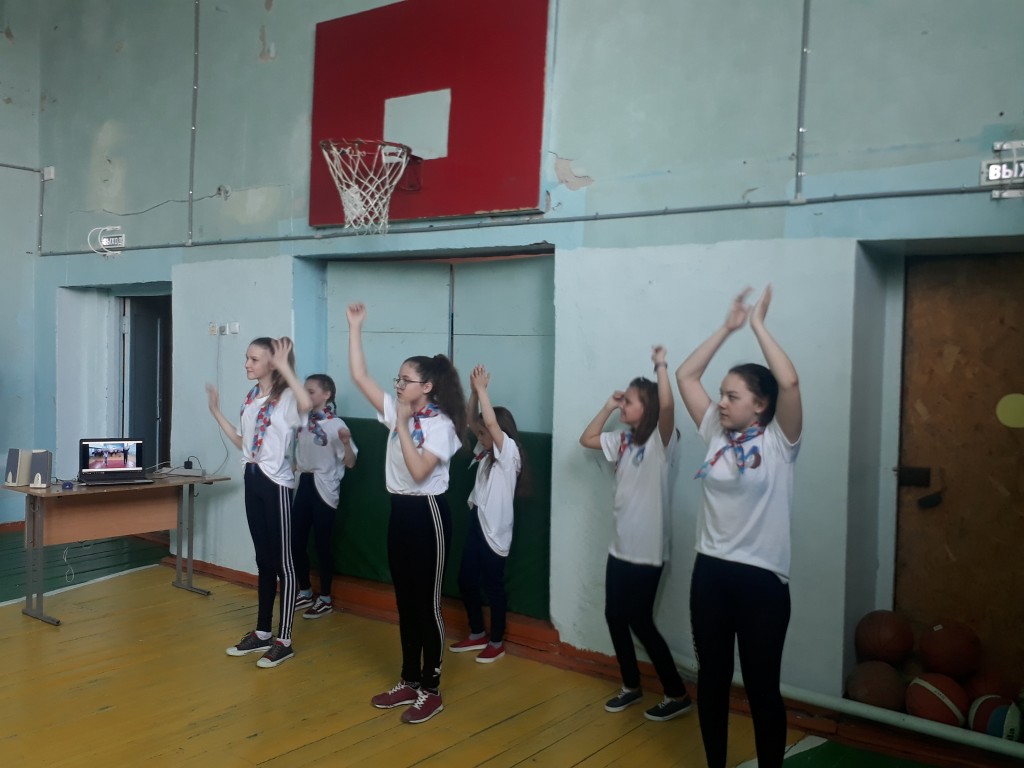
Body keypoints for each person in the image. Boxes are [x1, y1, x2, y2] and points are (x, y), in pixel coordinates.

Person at [675, 286, 802, 768]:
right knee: (712, 680)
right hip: (711, 574)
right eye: (722, 395)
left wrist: (758, 326)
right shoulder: (714, 429)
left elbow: (789, 382)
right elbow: (687, 375)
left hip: (762, 581)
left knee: (762, 688)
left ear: (761, 405)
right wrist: (726, 328)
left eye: (733, 396)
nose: (722, 402)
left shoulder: (780, 443)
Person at [346, 302, 466, 724]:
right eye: (397, 379)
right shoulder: (400, 411)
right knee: (404, 601)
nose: (398, 385)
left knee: (427, 604)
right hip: (399, 513)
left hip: (428, 513)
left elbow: (418, 472)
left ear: (427, 386)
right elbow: (360, 376)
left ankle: (431, 689)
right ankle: (409, 680)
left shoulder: (440, 426)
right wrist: (355, 327)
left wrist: (399, 423)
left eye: (405, 380)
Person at [579, 345, 693, 722]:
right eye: (623, 400)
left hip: (647, 552)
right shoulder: (622, 440)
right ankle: (631, 685)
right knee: (615, 616)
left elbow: (669, 406)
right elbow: (587, 439)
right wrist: (608, 407)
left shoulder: (662, 441)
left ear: (648, 408)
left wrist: (661, 366)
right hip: (620, 548)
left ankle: (676, 693)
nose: (623, 406)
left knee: (640, 621)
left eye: (629, 402)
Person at [207, 336, 312, 668]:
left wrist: (286, 368)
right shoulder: (253, 397)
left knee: (284, 563)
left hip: (275, 483)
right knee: (264, 560)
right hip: (252, 477)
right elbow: (245, 443)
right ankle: (263, 632)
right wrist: (215, 412)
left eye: (254, 359)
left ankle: (285, 640)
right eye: (247, 358)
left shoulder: (287, 398)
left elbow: (307, 405)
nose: (247, 364)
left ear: (272, 363)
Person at [448, 365, 525, 664]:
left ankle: (496, 641)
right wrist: (472, 393)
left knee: (493, 586)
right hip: (476, 523)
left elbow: (490, 424)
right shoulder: (485, 452)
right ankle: (477, 632)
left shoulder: (509, 453)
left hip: (495, 531)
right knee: (466, 579)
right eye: (480, 433)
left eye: (484, 433)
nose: (480, 435)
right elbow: (472, 420)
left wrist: (482, 390)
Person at [292, 374, 358, 619]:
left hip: (324, 488)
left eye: (310, 391)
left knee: (322, 545)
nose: (305, 395)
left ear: (326, 395)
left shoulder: (336, 425)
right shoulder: (302, 421)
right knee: (296, 542)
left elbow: (350, 463)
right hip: (303, 484)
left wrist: (347, 443)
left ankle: (326, 598)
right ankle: (305, 590)